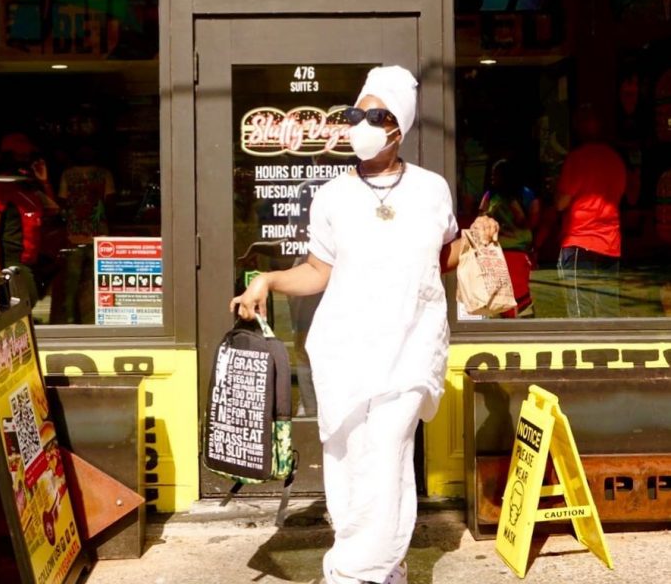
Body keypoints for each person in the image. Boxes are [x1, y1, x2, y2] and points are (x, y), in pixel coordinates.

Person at [230, 65, 498, 584]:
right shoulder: (332, 195)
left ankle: (354, 572)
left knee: (386, 454)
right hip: (344, 347)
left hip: (411, 347)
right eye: (356, 114)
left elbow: (440, 258)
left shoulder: (431, 190)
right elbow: (318, 271)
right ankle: (384, 566)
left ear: (400, 125)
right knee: (349, 462)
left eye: (376, 115)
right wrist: (267, 280)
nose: (362, 124)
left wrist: (478, 233)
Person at [555, 105, 627, 318]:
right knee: (607, 311)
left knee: (580, 314)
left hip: (580, 242)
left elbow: (561, 203)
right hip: (610, 243)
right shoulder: (616, 160)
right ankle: (608, 351)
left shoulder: (577, 159)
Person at [0, 132, 64, 310]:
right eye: (20, 156)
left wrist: (45, 182)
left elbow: (54, 210)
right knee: (24, 303)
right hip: (11, 260)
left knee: (28, 302)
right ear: (8, 157)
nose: (24, 160)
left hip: (31, 259)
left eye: (27, 156)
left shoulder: (28, 187)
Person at [57, 144, 116, 323]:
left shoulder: (68, 174)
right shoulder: (104, 174)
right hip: (98, 236)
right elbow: (111, 202)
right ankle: (92, 318)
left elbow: (62, 202)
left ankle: (71, 319)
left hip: (76, 234)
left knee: (74, 282)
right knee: (95, 282)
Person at [479, 159, 540, 318]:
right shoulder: (491, 194)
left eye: (496, 174)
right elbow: (480, 218)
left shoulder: (516, 195)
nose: (492, 177)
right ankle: (517, 319)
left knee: (514, 291)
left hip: (514, 251)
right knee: (507, 291)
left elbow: (527, 220)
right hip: (499, 250)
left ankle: (518, 320)